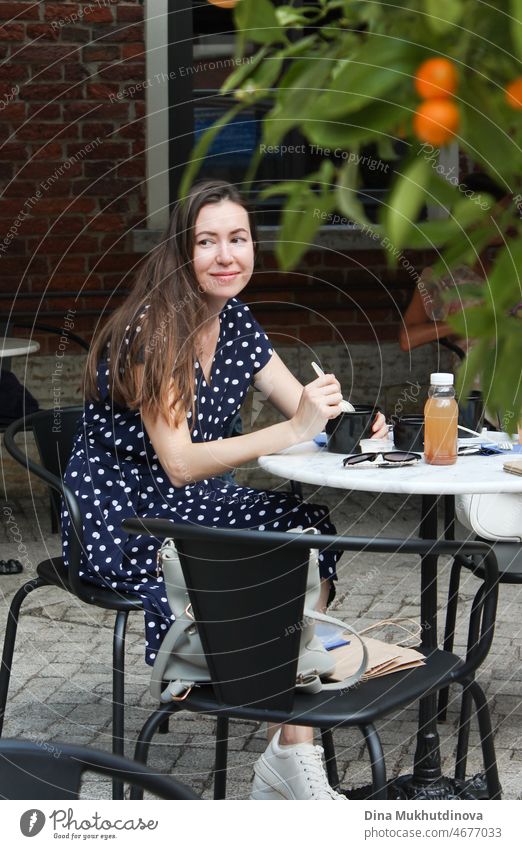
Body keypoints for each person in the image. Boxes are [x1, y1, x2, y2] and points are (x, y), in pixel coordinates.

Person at [61, 180, 387, 800]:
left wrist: (348, 419)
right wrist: (293, 428)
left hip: (199, 498)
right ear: (183, 253)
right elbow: (180, 462)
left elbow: (300, 416)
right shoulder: (152, 332)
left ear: (252, 248)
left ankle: (286, 745)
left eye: (237, 239)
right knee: (244, 562)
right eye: (207, 242)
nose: (225, 255)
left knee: (306, 532)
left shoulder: (234, 320)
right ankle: (291, 748)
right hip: (128, 512)